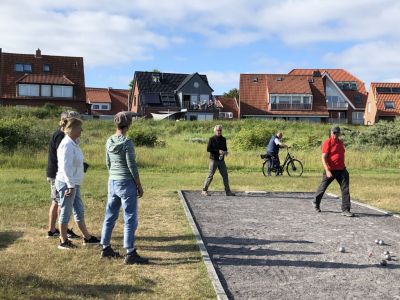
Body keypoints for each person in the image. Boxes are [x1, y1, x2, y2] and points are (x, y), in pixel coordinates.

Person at [100, 112, 148, 264]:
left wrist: (113, 175)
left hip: (113, 181)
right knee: (130, 217)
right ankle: (130, 252)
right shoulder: (127, 142)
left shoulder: (109, 140)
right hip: (126, 182)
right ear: (129, 124)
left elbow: (108, 162)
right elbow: (131, 166)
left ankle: (105, 247)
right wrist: (139, 185)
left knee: (110, 215)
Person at [55, 117, 100, 249]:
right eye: (80, 127)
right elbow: (65, 167)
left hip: (74, 183)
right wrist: (69, 186)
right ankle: (63, 241)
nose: (82, 130)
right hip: (66, 184)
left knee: (79, 210)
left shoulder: (74, 143)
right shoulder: (66, 145)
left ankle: (87, 237)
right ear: (73, 129)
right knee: (65, 211)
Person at [46, 111, 80, 239]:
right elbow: (64, 158)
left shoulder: (59, 134)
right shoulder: (61, 136)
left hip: (55, 172)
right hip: (58, 174)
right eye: (74, 121)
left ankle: (54, 230)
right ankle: (59, 231)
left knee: (56, 201)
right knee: (60, 202)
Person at [313, 126, 354, 217]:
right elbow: (323, 158)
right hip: (330, 170)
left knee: (345, 189)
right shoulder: (327, 142)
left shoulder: (341, 143)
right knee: (322, 187)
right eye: (333, 133)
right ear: (331, 133)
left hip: (342, 170)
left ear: (339, 133)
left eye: (337, 133)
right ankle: (316, 202)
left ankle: (345, 209)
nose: (335, 134)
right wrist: (327, 170)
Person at [202, 125, 235, 196]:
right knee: (210, 175)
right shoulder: (211, 139)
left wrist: (225, 152)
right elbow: (208, 149)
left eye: (220, 130)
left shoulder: (224, 139)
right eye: (218, 130)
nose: (219, 131)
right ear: (215, 131)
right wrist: (218, 151)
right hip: (213, 160)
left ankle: (228, 191)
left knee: (225, 175)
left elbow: (225, 148)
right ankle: (204, 190)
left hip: (221, 160)